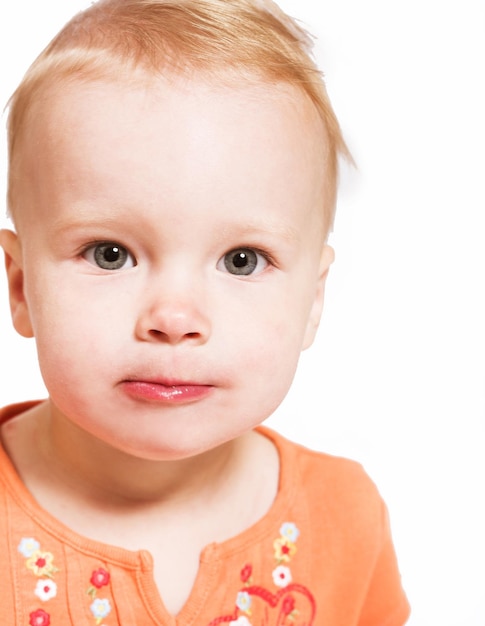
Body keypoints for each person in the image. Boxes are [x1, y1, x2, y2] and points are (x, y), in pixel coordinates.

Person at [0, 0, 410, 624]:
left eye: (242, 260)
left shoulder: (345, 516)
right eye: (110, 254)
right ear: (22, 284)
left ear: (313, 299)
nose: (174, 316)